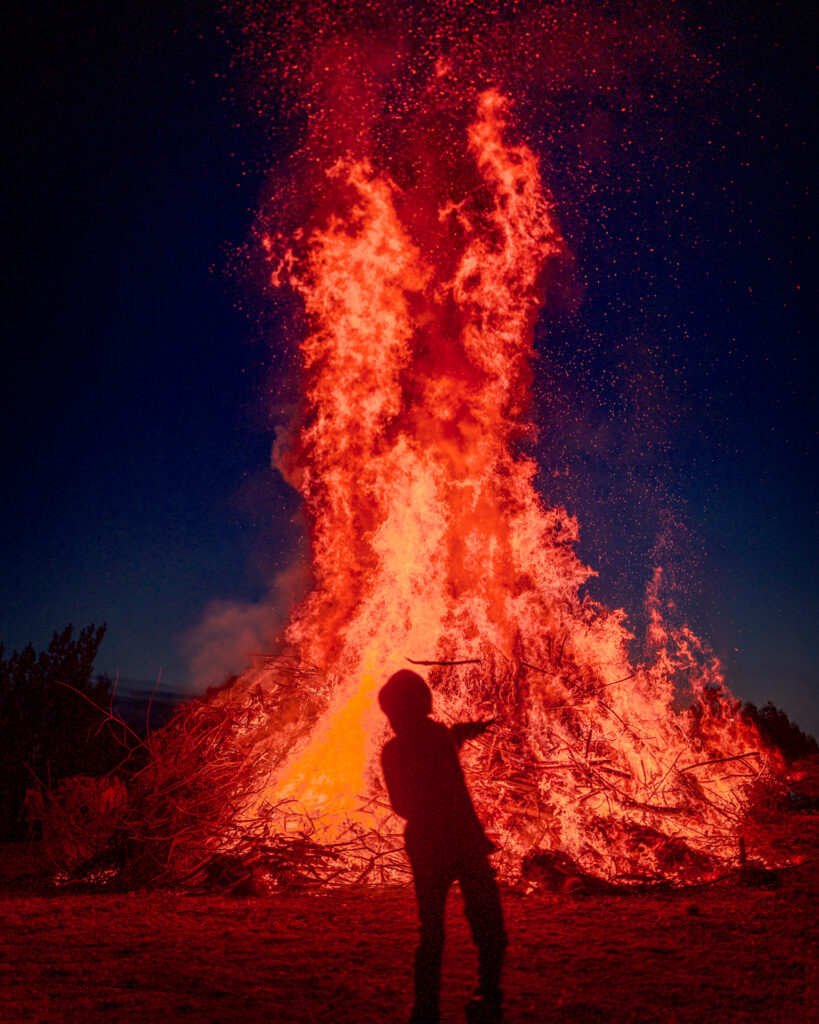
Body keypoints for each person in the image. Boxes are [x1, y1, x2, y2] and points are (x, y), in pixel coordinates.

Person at [379, 669, 507, 1024]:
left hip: (430, 843)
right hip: (458, 840)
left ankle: (428, 1008)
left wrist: (467, 731)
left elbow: (403, 804)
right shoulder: (429, 739)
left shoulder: (399, 749)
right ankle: (485, 996)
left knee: (435, 930)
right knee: (485, 924)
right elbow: (446, 741)